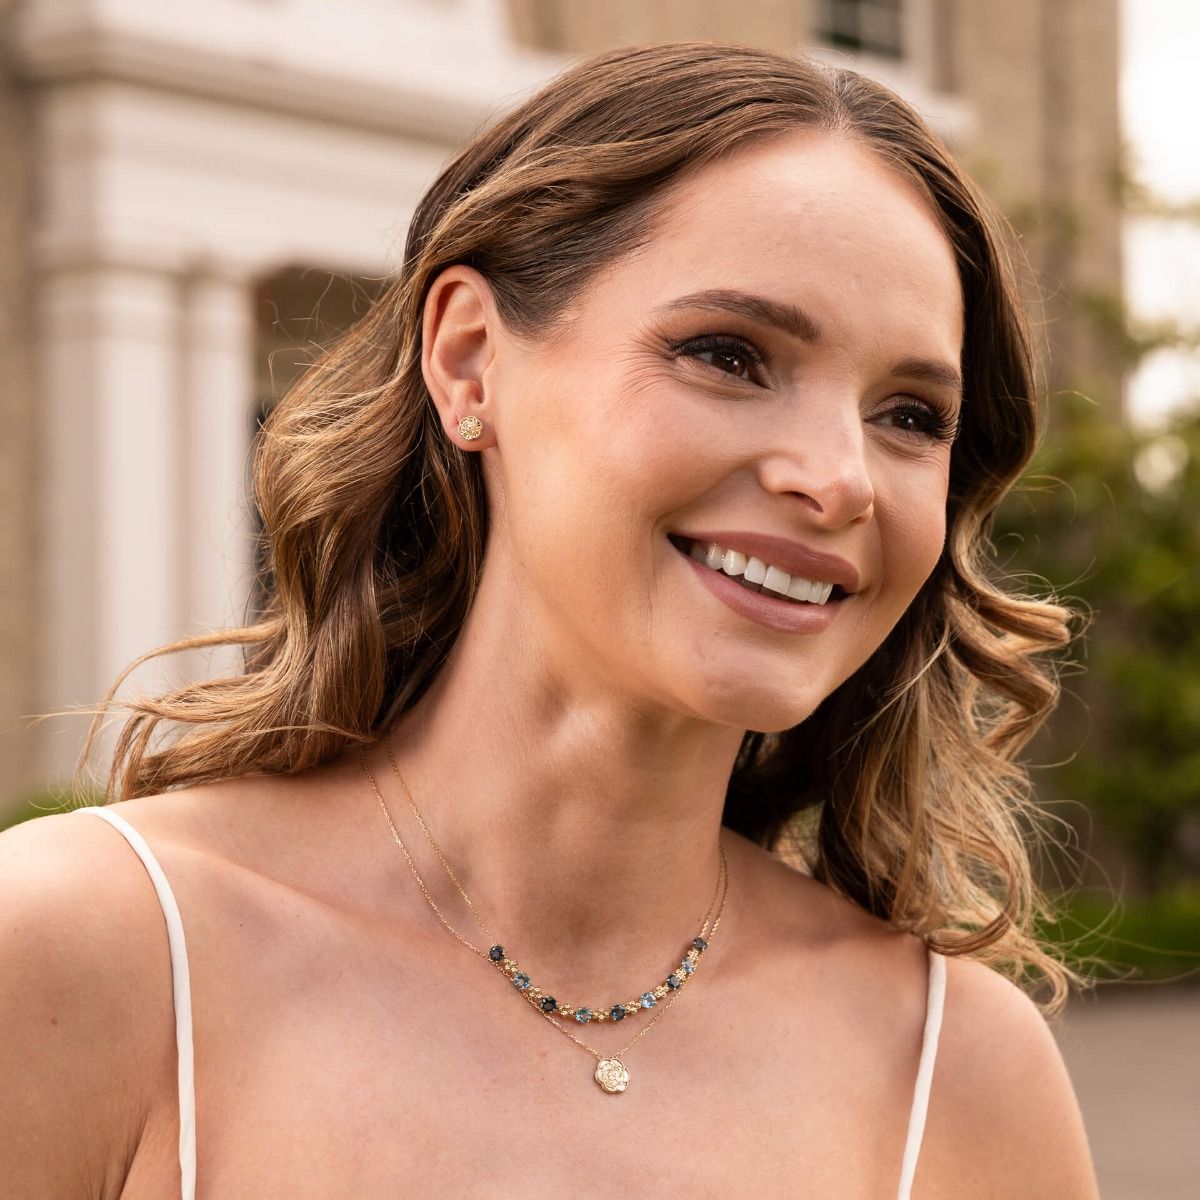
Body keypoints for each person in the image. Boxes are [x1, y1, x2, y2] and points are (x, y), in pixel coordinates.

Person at [0, 41, 1099, 1198]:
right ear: (469, 362)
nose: (841, 480)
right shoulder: (86, 954)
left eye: (911, 416)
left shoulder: (956, 1072)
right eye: (729, 355)